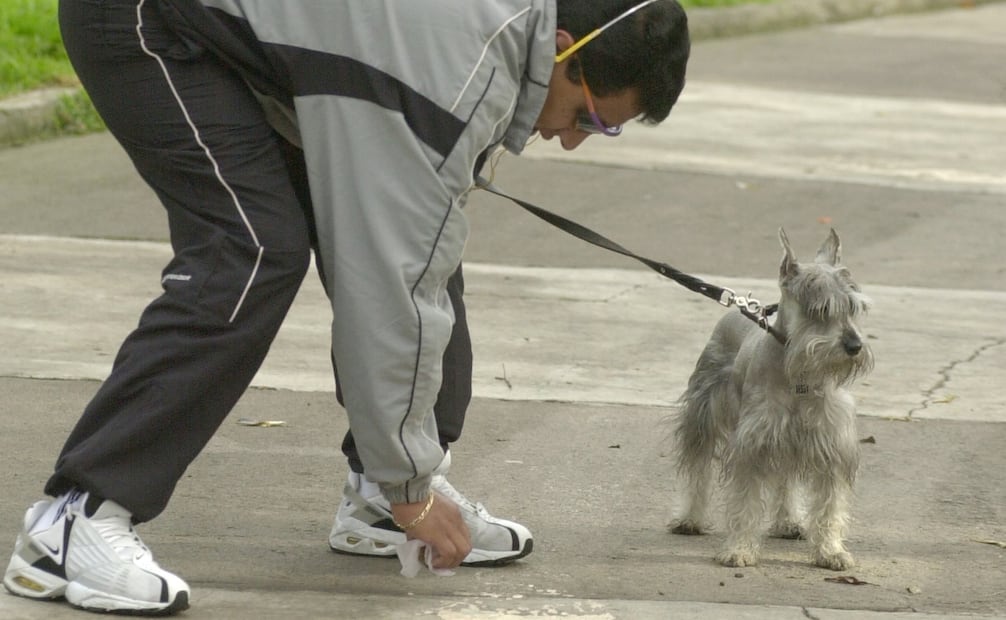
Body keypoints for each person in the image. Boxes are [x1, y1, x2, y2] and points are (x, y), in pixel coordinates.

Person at [3, 0, 690, 615]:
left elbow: (412, 259)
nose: (571, 140)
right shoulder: (452, 69)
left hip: (249, 44)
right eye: (589, 119)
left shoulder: (494, 38)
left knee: (423, 252)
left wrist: (402, 474)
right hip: (149, 21)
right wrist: (412, 483)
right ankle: (75, 518)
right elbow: (389, 287)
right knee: (251, 251)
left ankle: (377, 501)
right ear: (564, 48)